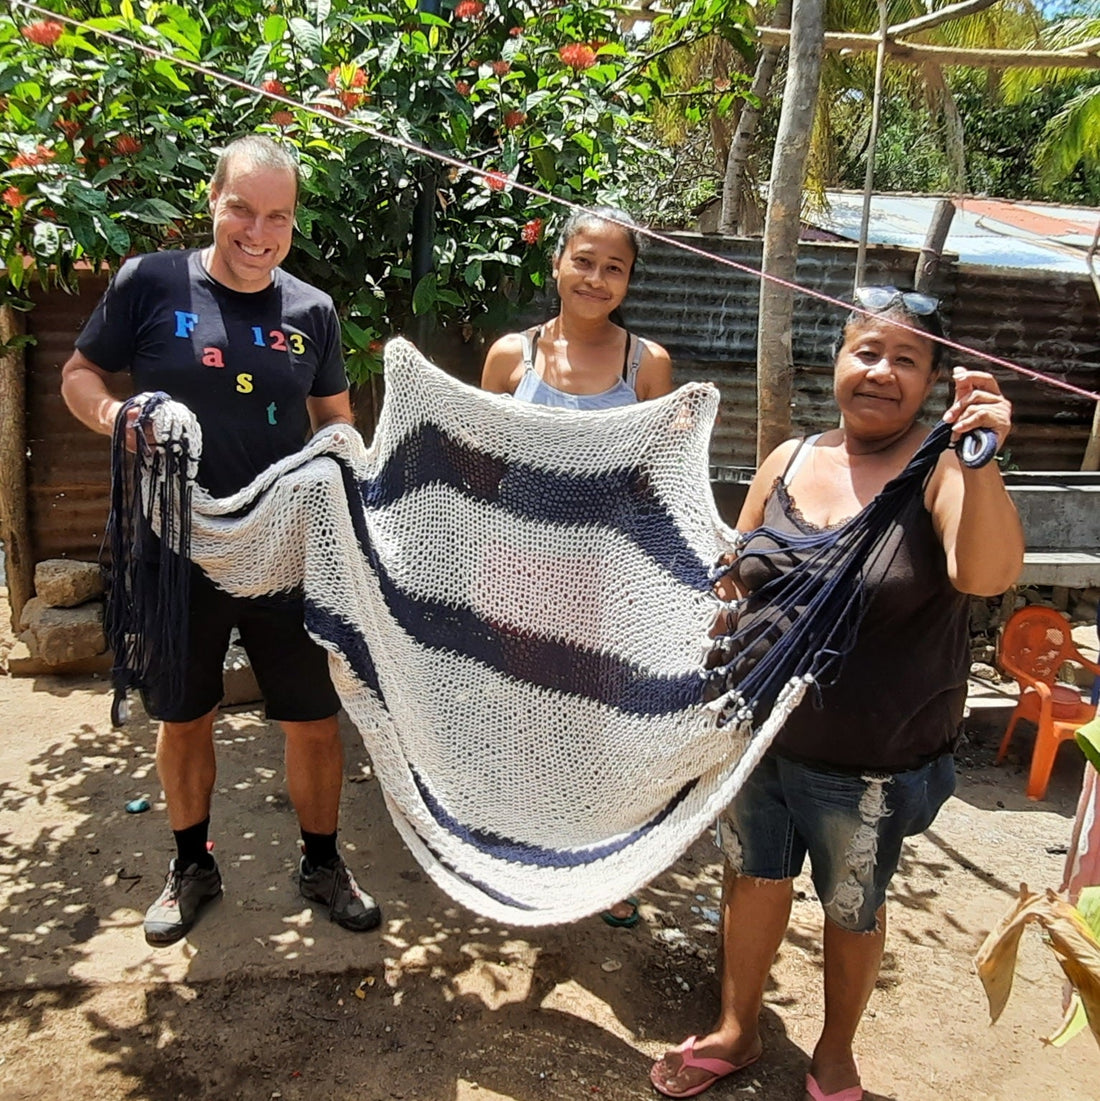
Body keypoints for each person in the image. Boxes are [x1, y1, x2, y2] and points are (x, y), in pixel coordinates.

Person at [649, 286, 1024, 1099]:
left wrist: (982, 455)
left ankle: (835, 1055)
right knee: (751, 882)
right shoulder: (787, 458)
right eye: (867, 351)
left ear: (930, 381)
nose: (882, 371)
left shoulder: (940, 473)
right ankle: (737, 1028)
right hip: (759, 740)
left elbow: (986, 573)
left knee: (851, 909)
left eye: (906, 359)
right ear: (838, 359)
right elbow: (732, 584)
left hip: (869, 762)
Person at [60, 134, 381, 946]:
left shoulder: (312, 310)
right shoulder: (150, 282)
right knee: (186, 714)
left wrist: (344, 453)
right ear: (212, 200)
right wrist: (119, 418)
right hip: (174, 549)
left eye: (278, 215)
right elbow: (79, 377)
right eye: (242, 206)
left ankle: (321, 861)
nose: (258, 230)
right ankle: (191, 864)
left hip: (286, 553)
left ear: (293, 222)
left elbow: (335, 416)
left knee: (312, 718)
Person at [482, 206, 673, 926]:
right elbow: (483, 463)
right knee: (516, 707)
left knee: (595, 713)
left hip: (604, 576)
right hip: (515, 565)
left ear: (628, 280)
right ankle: (516, 848)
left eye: (613, 267)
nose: (596, 278)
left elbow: (657, 480)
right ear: (557, 263)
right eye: (584, 261)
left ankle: (597, 863)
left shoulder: (645, 365)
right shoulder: (511, 357)